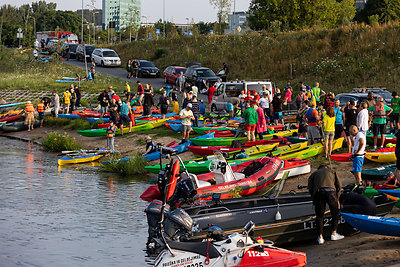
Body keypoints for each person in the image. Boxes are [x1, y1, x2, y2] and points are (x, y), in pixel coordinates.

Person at [308, 165, 343, 245]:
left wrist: (314, 198)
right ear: (327, 167)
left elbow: (310, 187)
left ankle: (320, 237)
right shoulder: (332, 172)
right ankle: (334, 234)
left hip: (319, 193)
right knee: (335, 213)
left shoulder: (314, 174)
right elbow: (339, 186)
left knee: (319, 216)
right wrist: (337, 199)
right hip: (331, 193)